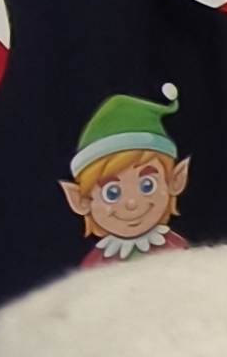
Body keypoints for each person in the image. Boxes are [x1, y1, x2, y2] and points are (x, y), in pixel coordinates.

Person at [61, 88, 191, 259]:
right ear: (80, 201)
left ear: (175, 180)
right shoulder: (96, 262)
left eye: (147, 185)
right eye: (112, 193)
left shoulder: (175, 248)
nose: (131, 203)